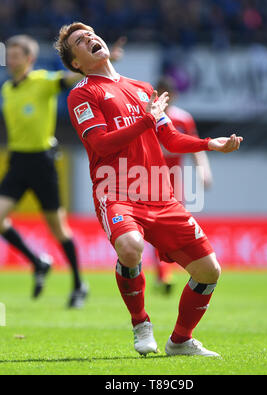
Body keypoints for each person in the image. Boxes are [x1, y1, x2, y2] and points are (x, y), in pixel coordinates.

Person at [55, 22, 243, 357]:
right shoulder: (82, 93)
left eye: (91, 34)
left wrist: (209, 144)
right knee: (130, 246)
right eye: (80, 42)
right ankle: (141, 323)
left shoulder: (142, 89)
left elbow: (169, 137)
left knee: (208, 270)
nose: (90, 39)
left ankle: (181, 340)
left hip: (159, 193)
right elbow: (101, 143)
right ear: (76, 63)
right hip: (116, 190)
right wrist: (145, 120)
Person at [0, 34, 89, 307]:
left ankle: (78, 284)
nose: (10, 59)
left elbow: (67, 79)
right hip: (17, 162)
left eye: (16, 55)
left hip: (42, 163)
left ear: (29, 59)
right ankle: (38, 261)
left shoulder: (41, 81)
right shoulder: (6, 89)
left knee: (58, 229)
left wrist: (90, 64)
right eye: (9, 55)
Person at [153, 77, 214, 294]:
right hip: (149, 179)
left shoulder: (183, 119)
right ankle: (163, 274)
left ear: (174, 95)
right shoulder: (148, 118)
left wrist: (203, 170)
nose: (164, 99)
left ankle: (170, 271)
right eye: (160, 93)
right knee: (156, 228)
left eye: (167, 94)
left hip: (175, 180)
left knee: (174, 228)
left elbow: (195, 147)